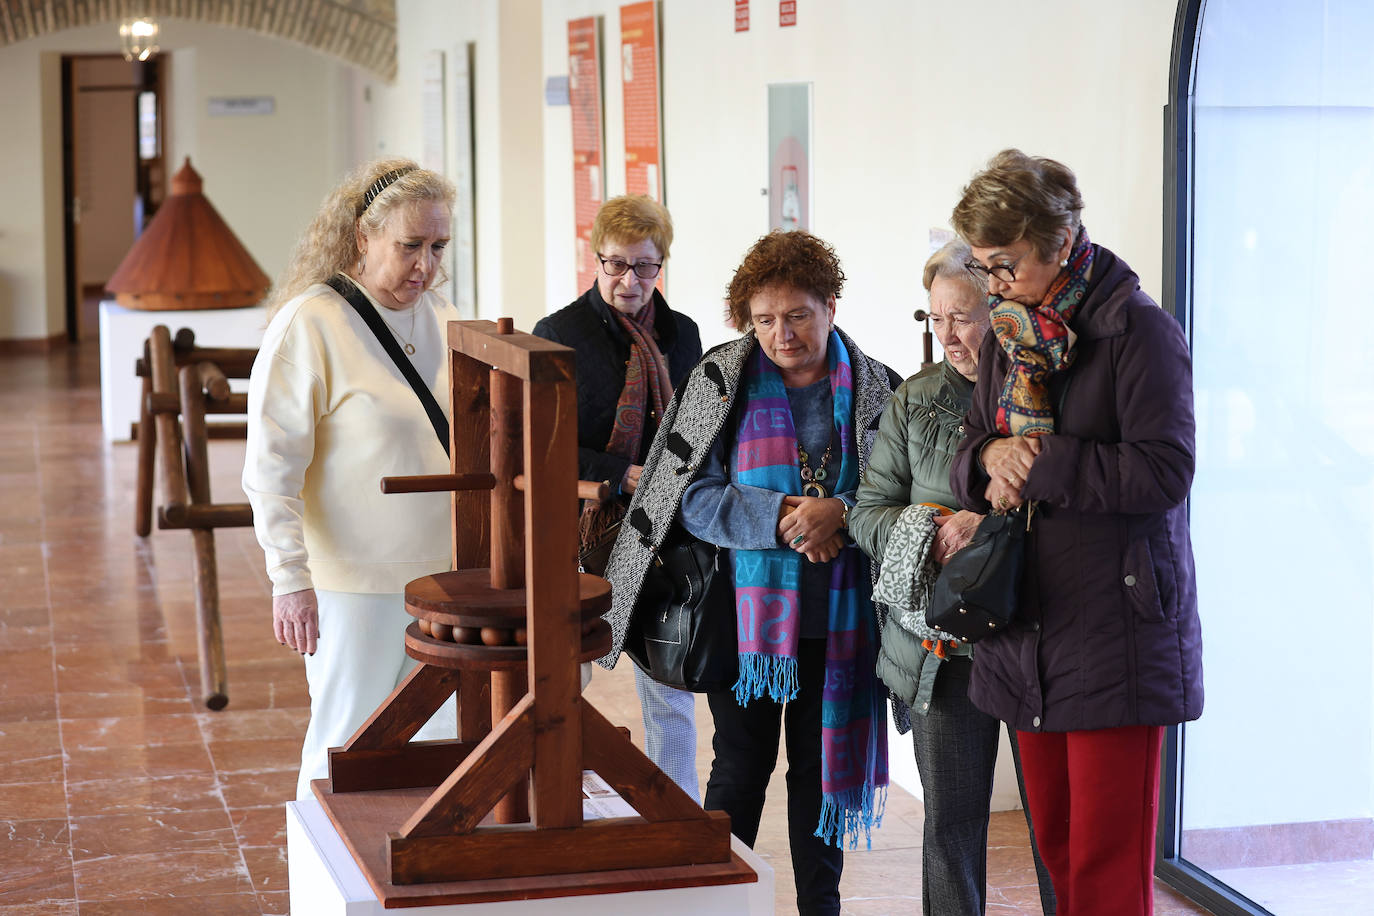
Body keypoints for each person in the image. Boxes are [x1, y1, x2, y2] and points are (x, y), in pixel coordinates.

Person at [602, 230, 897, 916]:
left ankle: (820, 907)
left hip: (845, 619)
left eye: (797, 315)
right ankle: (714, 902)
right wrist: (788, 516)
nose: (781, 334)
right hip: (747, 621)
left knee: (819, 775)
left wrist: (841, 514)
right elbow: (688, 498)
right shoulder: (719, 380)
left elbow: (902, 493)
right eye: (764, 319)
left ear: (831, 305)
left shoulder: (880, 386)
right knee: (739, 768)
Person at [948, 149, 1203, 916]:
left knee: (1105, 866)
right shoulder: (1007, 331)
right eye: (983, 266)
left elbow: (1166, 472)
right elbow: (968, 445)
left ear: (1061, 241)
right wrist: (991, 454)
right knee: (1056, 849)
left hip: (1115, 624)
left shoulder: (1139, 332)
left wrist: (1044, 463)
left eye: (1005, 263)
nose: (993, 284)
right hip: (1025, 620)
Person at [243, 159, 460, 801]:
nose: (424, 266)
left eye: (438, 247)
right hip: (354, 586)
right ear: (363, 238)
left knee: (431, 754)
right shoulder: (311, 323)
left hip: (447, 578)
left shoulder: (444, 316)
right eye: (409, 246)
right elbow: (270, 470)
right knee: (344, 750)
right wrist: (290, 581)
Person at [850, 239, 1055, 915]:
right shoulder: (914, 402)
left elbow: (1068, 511)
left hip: (1036, 642)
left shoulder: (1044, 392)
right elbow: (868, 514)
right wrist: (932, 525)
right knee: (951, 828)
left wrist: (988, 530)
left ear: (998, 309)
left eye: (961, 315)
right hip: (942, 649)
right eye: (936, 317)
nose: (948, 334)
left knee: (1056, 828)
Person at [533, 195, 703, 801]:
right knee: (563, 675)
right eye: (616, 265)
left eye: (646, 267)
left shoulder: (683, 336)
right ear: (595, 259)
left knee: (667, 677)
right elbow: (542, 446)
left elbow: (698, 427)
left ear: (663, 266)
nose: (630, 281)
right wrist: (622, 474)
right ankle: (552, 791)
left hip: (665, 531)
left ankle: (675, 807)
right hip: (585, 526)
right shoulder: (557, 335)